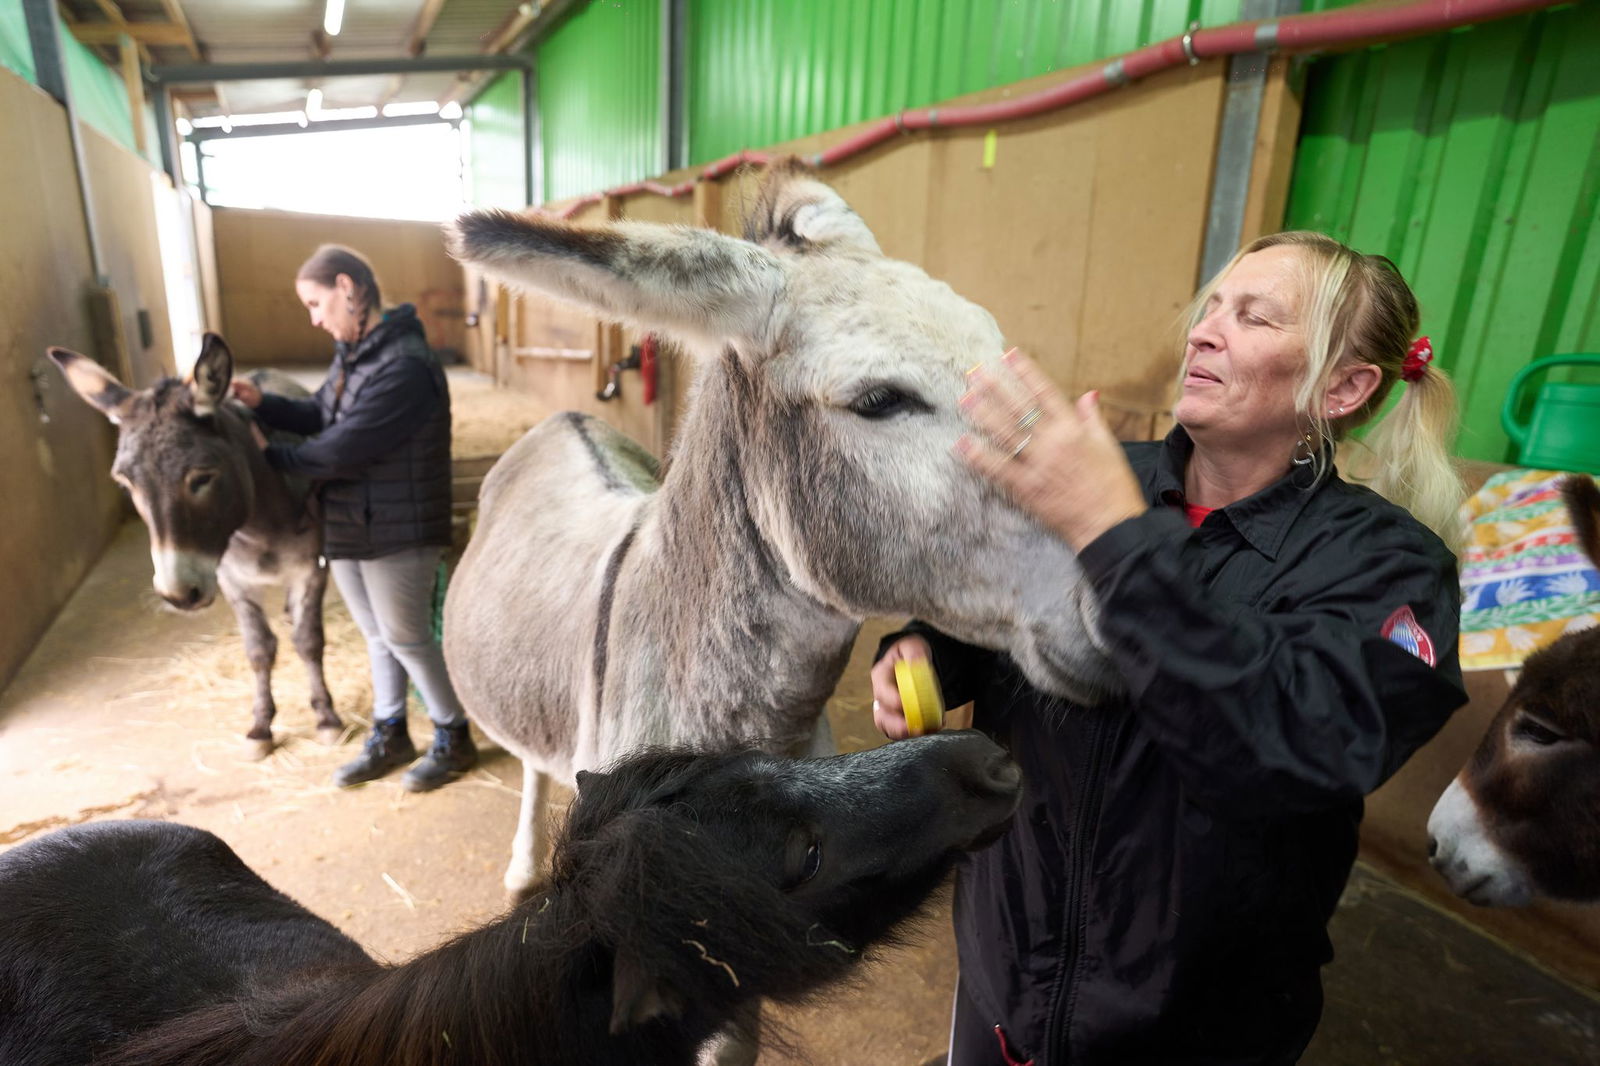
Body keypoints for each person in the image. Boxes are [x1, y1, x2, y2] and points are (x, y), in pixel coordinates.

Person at [871, 232, 1468, 1065]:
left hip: (1193, 1033)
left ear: (1344, 387)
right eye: (1211, 307)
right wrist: (923, 653)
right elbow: (975, 610)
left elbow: (1285, 747)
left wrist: (1109, 533)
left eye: (1254, 318)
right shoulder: (1094, 476)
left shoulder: (1390, 568)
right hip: (1006, 976)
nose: (1204, 332)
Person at [231, 244, 477, 792]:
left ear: (347, 288)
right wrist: (262, 403)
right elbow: (320, 412)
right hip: (351, 520)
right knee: (376, 635)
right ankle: (392, 734)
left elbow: (340, 449)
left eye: (315, 303)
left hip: (399, 525)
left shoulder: (405, 365)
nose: (314, 319)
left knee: (406, 635)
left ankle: (453, 735)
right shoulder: (357, 353)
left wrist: (271, 456)